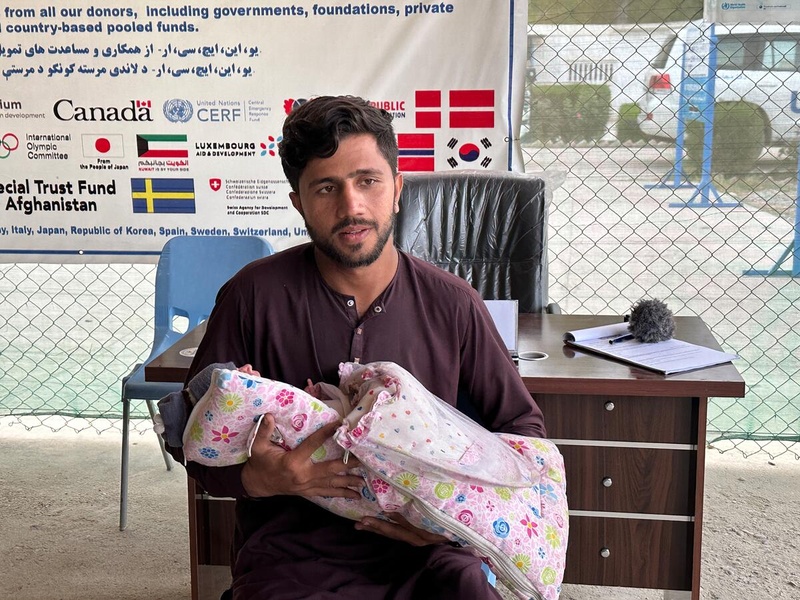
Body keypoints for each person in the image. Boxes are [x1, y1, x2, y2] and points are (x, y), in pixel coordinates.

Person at [166, 95, 546, 600]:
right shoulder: (251, 296)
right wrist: (261, 479)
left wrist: (453, 528)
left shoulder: (454, 304)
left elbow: (523, 433)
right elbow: (193, 444)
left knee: (469, 587)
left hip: (426, 546)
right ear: (298, 201)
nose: (352, 207)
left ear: (396, 189)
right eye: (326, 188)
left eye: (368, 181)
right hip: (294, 551)